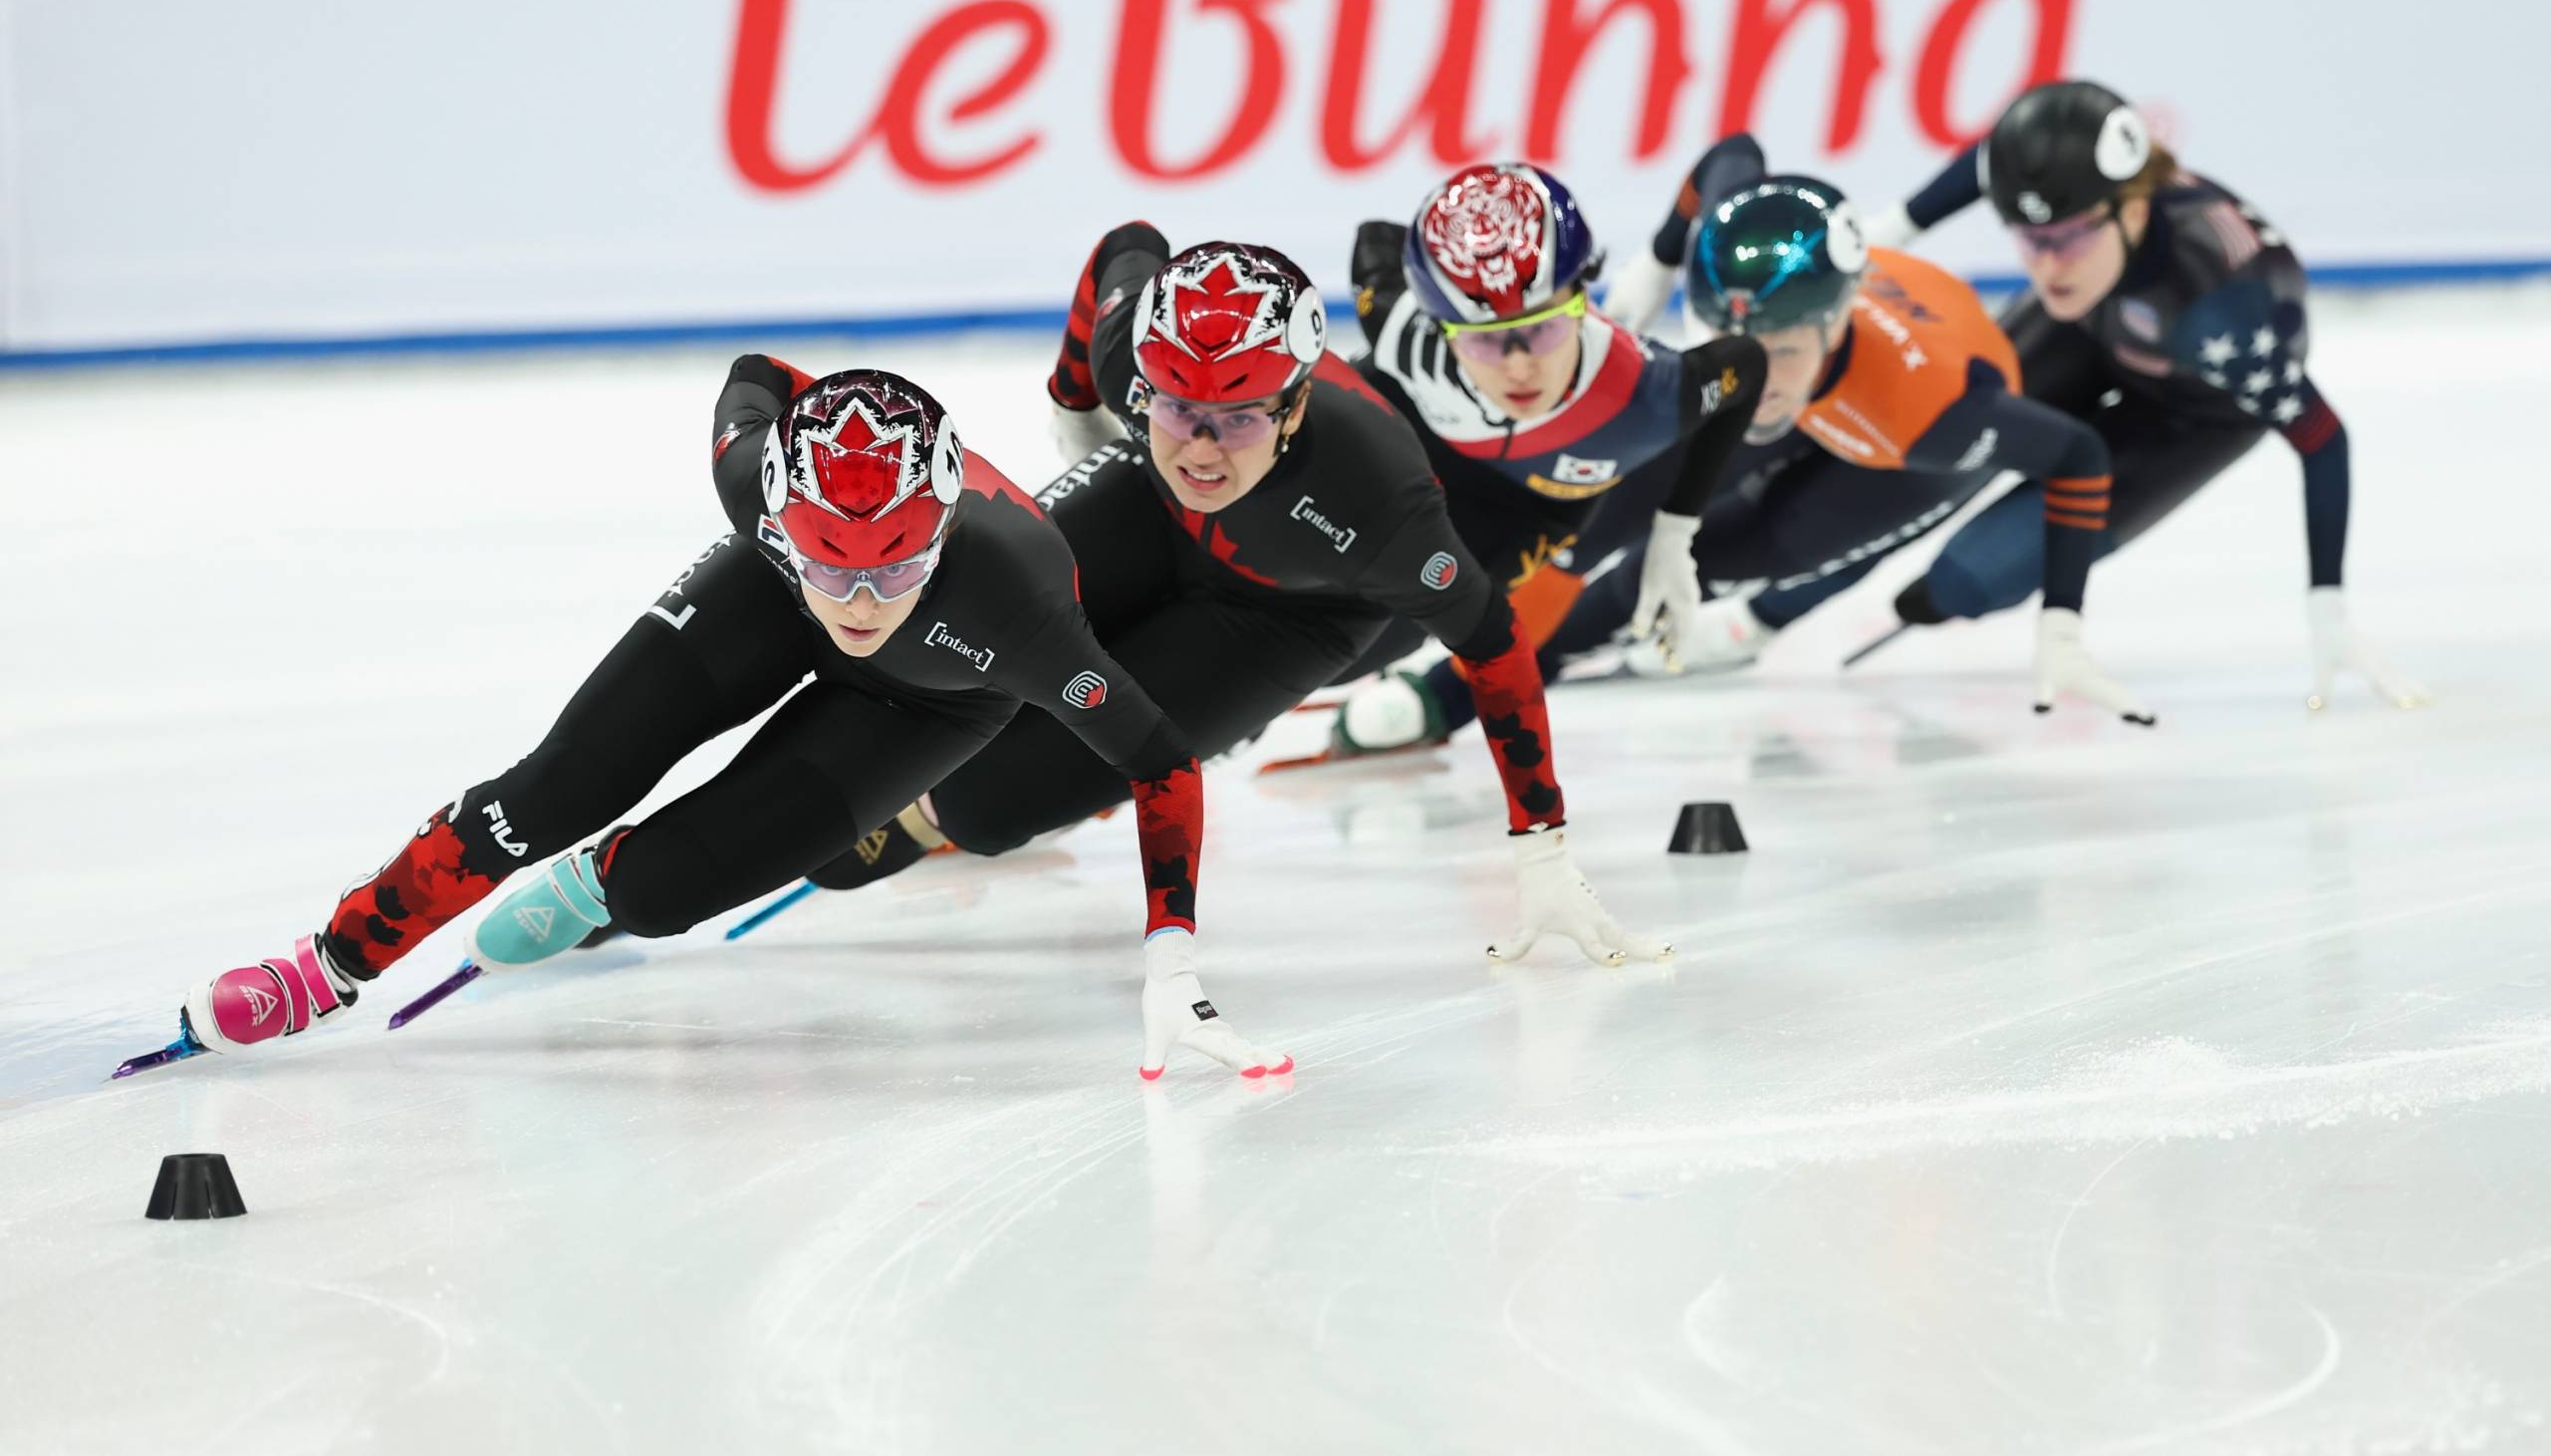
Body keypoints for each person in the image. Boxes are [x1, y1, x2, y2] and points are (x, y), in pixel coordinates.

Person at [142, 363, 1281, 1083]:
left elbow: (1160, 760)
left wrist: (1170, 957)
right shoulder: (754, 481)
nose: (861, 607)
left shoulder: (1023, 599)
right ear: (778, 517)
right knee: (550, 791)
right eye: (835, 573)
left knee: (661, 893)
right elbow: (756, 377)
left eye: (892, 575)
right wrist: (811, 559)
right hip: (753, 597)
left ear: (937, 538)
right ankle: (327, 965)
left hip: (941, 693)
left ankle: (601, 885)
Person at [809, 231, 1672, 970]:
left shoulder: (1381, 502)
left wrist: (1542, 847)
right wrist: (1077, 410)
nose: (1207, 447)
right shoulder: (1132, 365)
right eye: (1179, 406)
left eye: (1244, 415)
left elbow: (1494, 646)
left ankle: (931, 820)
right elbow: (1125, 247)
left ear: (1293, 407)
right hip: (1149, 509)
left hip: (1288, 615)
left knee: (987, 805)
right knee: (930, 622)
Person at [1851, 80, 2428, 710]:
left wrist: (2328, 608)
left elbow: (2323, 439)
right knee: (1928, 436)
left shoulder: (2223, 315)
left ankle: (1927, 600)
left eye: (2067, 238)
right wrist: (1890, 230)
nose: (2046, 266)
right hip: (2096, 321)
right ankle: (1764, 613)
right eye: (2029, 239)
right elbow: (2001, 157)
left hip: (2193, 416)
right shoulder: (2086, 215)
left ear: (2131, 212)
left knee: (1966, 580)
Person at [1538, 137, 2152, 720]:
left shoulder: (1933, 416)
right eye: (1726, 338)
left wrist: (2062, 623)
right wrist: (1659, 259)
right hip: (1836, 382)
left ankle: (1704, 629)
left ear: (1832, 329)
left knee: (1683, 563)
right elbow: (1733, 154)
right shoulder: (1751, 297)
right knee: (1608, 505)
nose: (1753, 368)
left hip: (1906, 447)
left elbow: (2077, 452)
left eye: (1778, 351)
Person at [1306, 161, 1767, 754]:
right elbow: (1376, 238)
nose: (1519, 367)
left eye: (1544, 330)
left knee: (1347, 652)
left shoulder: (1647, 395)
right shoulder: (1405, 334)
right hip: (1413, 435)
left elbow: (1747, 368)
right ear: (1440, 324)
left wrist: (1676, 532)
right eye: (1484, 339)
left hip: (1520, 511)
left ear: (1581, 296)